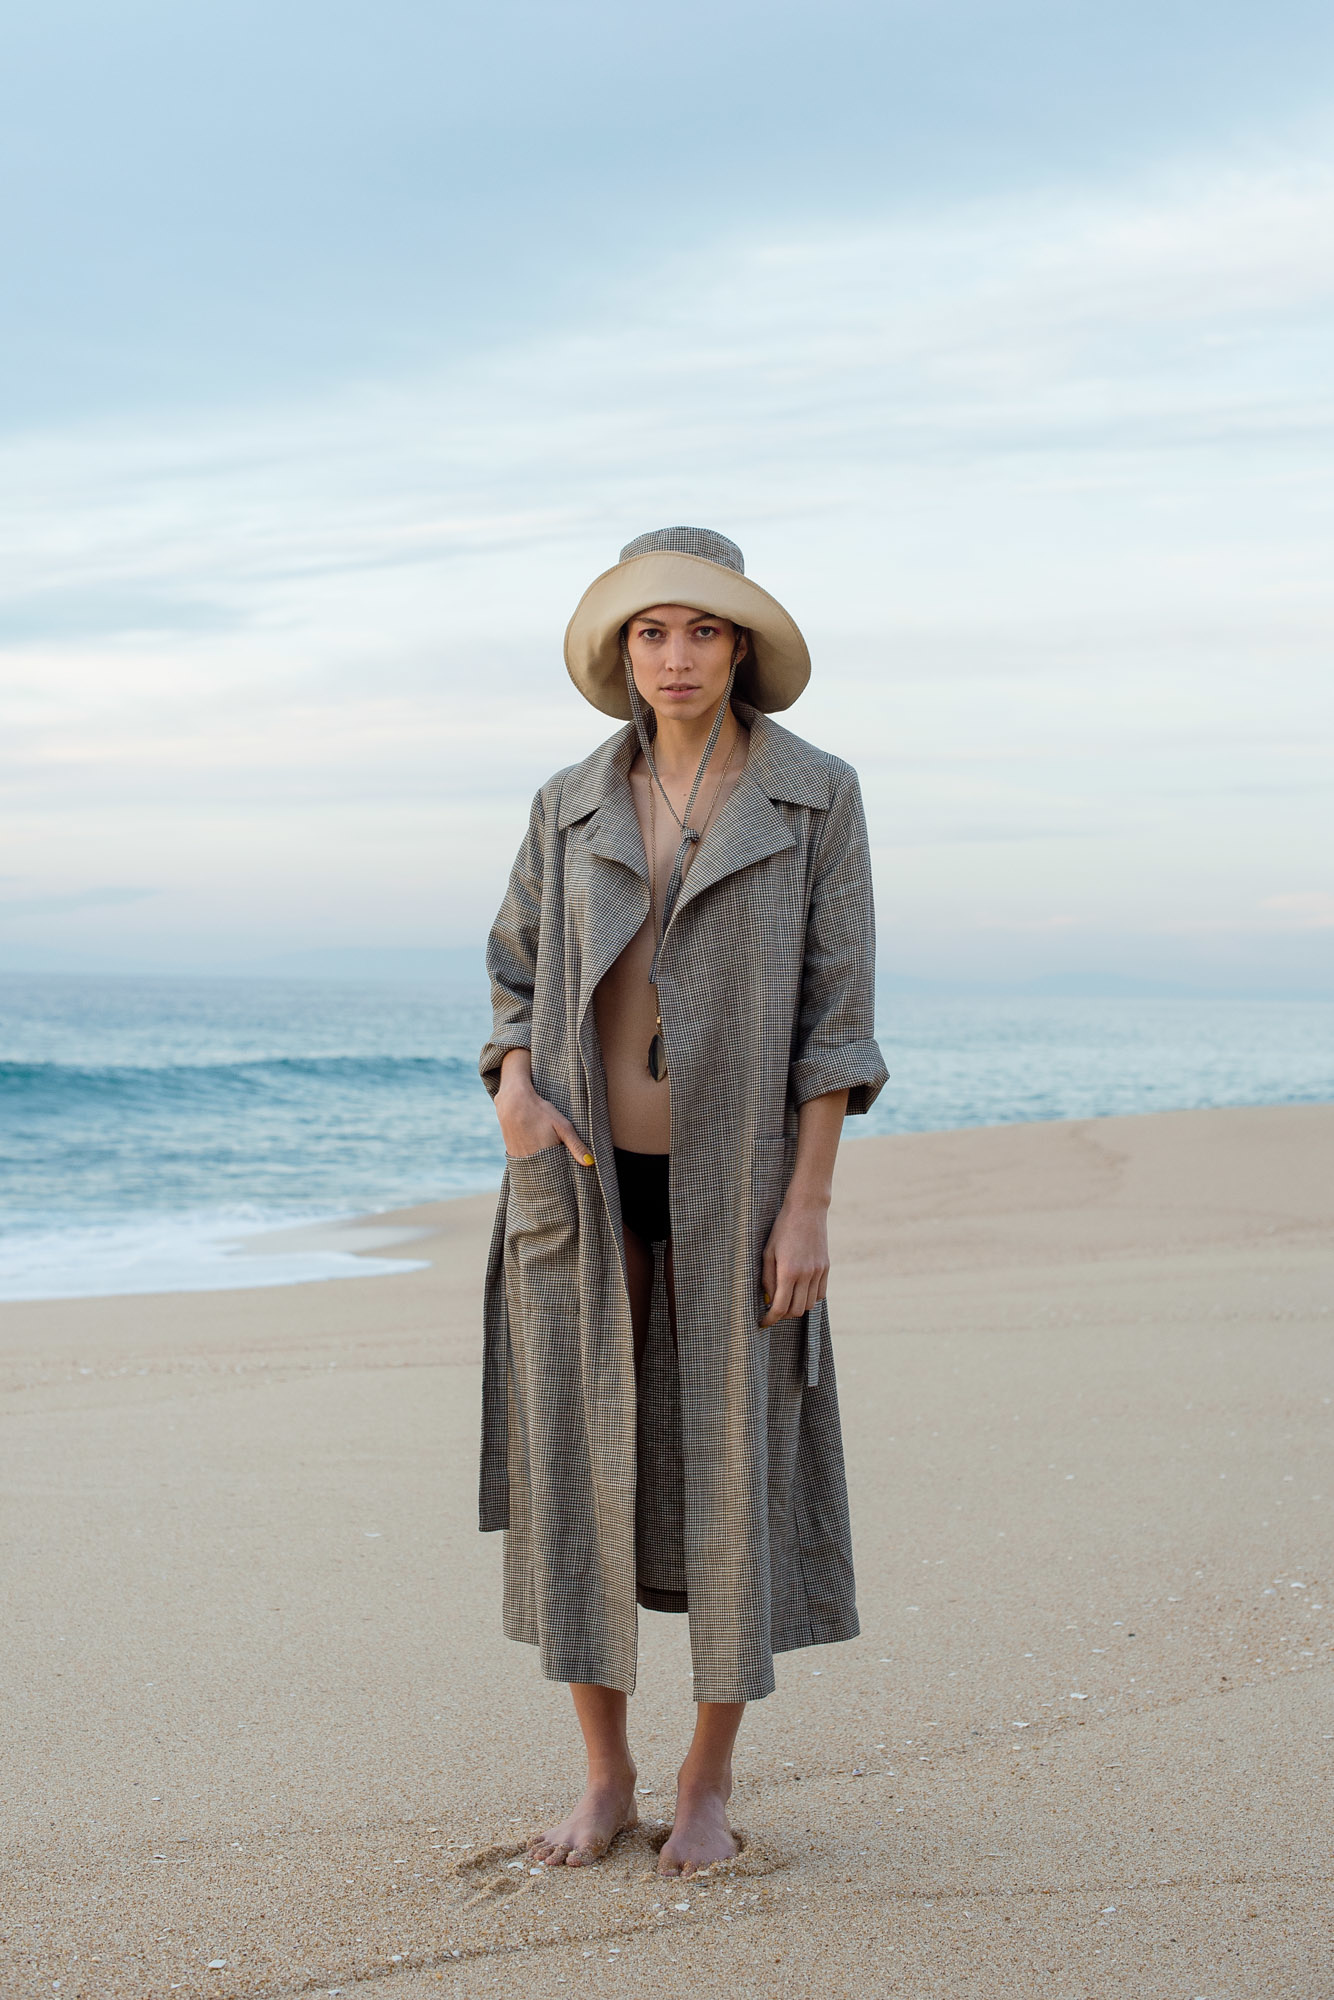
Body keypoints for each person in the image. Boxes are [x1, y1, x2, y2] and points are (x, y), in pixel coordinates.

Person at [478, 526, 887, 1878]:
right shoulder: (567, 801)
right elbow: (513, 970)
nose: (676, 655)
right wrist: (513, 1089)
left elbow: (836, 1016)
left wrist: (808, 1204)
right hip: (577, 1182)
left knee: (730, 1466)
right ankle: (604, 1779)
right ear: (622, 650)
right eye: (651, 631)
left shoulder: (815, 795)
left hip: (742, 1184)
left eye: (703, 630)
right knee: (580, 1468)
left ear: (741, 647)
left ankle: (707, 1783)